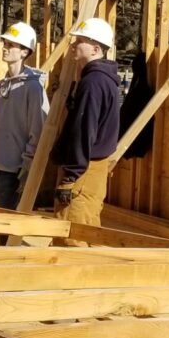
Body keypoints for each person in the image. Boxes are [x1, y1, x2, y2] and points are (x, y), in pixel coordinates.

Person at [53, 17, 120, 236]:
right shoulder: (100, 80)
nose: (73, 45)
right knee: (86, 230)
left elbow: (84, 130)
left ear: (96, 49)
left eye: (80, 41)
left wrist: (71, 175)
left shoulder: (93, 82)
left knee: (72, 235)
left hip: (83, 171)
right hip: (90, 169)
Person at [0, 21, 49, 211]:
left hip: (15, 171)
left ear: (24, 52)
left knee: (8, 223)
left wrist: (27, 168)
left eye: (11, 45)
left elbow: (38, 131)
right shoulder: (0, 87)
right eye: (5, 43)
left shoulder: (33, 89)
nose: (5, 48)